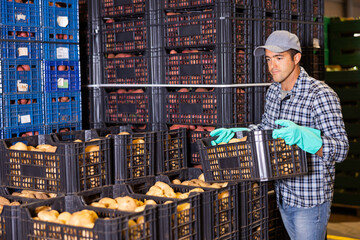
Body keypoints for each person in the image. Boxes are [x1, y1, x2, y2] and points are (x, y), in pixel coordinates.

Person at [211, 30, 349, 240]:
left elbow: (341, 149)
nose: (272, 66)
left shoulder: (320, 94)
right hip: (283, 194)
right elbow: (267, 131)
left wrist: (307, 139)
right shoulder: (274, 91)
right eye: (268, 59)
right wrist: (237, 133)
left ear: (296, 58)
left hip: (309, 201)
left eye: (279, 58)